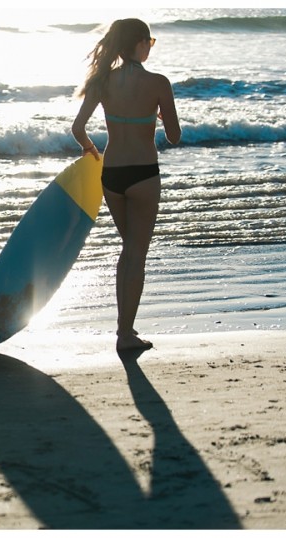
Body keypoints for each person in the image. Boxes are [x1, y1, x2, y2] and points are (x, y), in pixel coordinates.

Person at [71, 18, 181, 353]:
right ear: (139, 43)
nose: (150, 46)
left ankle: (124, 330)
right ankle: (125, 334)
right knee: (136, 253)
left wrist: (92, 152)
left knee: (128, 251)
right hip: (144, 174)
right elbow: (175, 137)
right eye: (149, 41)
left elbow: (78, 128)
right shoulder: (159, 82)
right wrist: (160, 118)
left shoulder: (102, 81)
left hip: (113, 175)